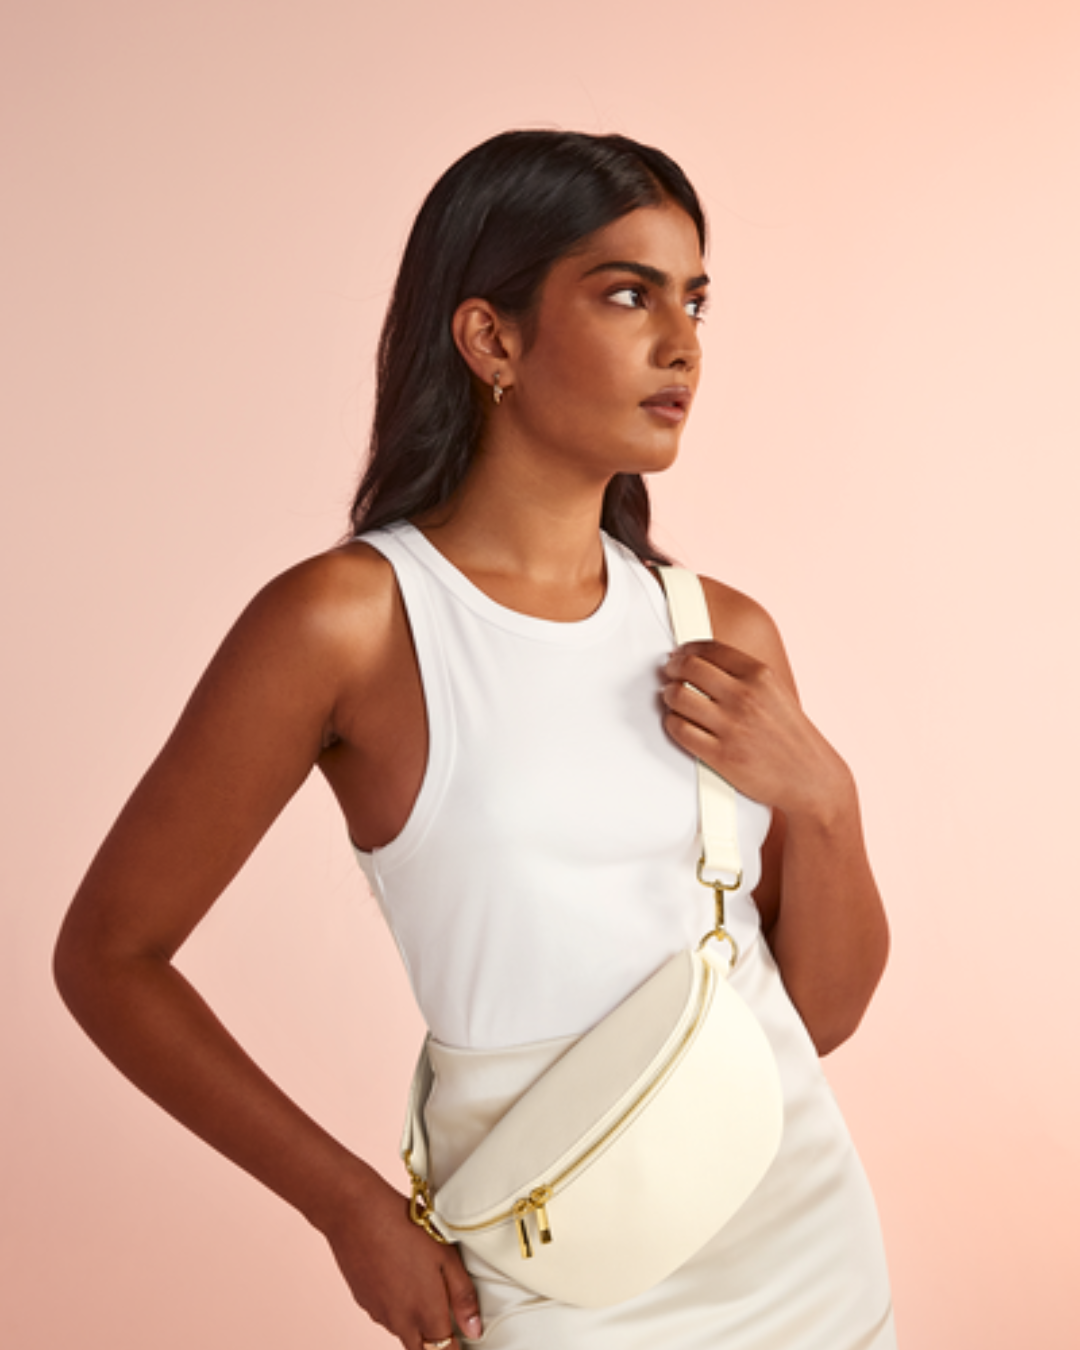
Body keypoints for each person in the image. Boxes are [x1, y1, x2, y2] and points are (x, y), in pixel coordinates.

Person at [55, 130, 896, 1349]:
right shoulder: (351, 623)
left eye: (696, 300)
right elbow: (109, 956)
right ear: (490, 339)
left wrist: (829, 802)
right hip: (549, 1250)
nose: (683, 344)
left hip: (804, 1253)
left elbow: (811, 1018)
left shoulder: (720, 631)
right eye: (629, 295)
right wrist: (350, 1209)